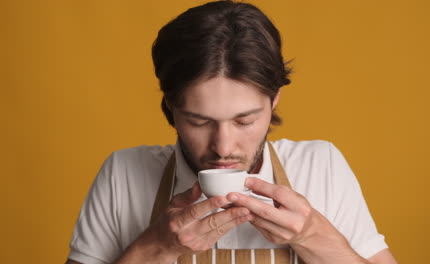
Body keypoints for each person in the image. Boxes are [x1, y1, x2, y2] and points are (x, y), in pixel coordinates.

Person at [66, 1, 397, 263]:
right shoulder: (123, 173)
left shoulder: (320, 165)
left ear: (274, 100)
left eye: (245, 121)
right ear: (171, 107)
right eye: (199, 121)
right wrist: (158, 247)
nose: (223, 147)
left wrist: (311, 235)